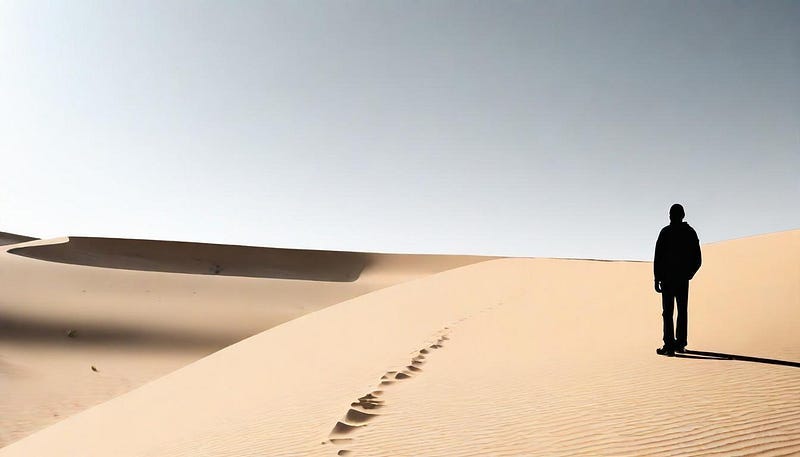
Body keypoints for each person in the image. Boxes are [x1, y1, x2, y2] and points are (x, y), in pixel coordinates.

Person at [654, 204, 702, 356]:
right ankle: (676, 344)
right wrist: (688, 274)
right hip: (675, 279)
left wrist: (658, 278)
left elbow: (658, 258)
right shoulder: (687, 232)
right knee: (676, 312)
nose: (670, 216)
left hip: (672, 279)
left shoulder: (670, 232)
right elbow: (658, 257)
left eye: (672, 214)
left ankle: (672, 344)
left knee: (671, 312)